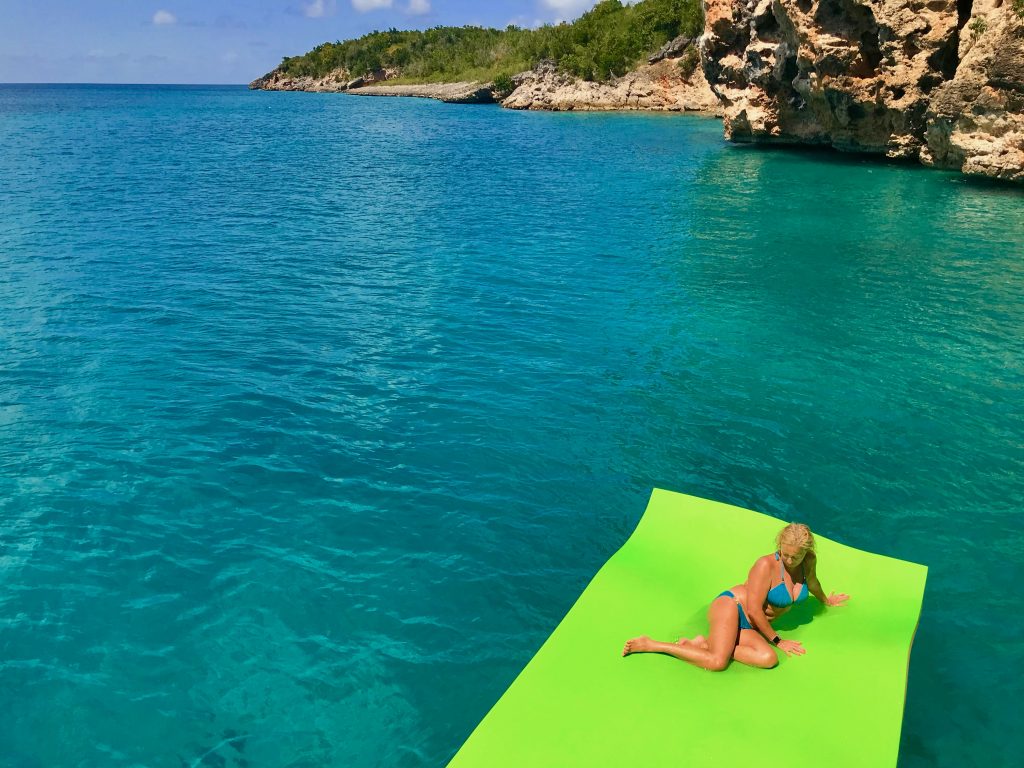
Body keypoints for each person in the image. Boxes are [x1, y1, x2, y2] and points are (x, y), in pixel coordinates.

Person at [622, 523, 850, 671]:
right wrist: (780, 641)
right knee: (717, 662)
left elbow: (812, 582)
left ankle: (705, 642)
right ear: (779, 545)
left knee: (768, 660)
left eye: (795, 557)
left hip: (752, 627)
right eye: (785, 554)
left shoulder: (809, 561)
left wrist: (826, 600)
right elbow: (753, 610)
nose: (789, 561)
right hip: (734, 608)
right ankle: (651, 644)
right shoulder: (765, 565)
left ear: (806, 552)